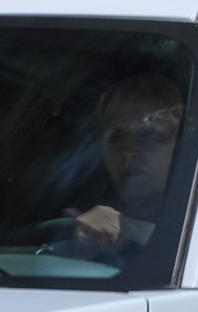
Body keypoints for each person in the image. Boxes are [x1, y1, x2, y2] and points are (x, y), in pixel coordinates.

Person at [68, 71, 184, 255]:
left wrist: (132, 232)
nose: (128, 151)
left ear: (181, 147)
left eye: (149, 135)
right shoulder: (82, 219)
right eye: (116, 138)